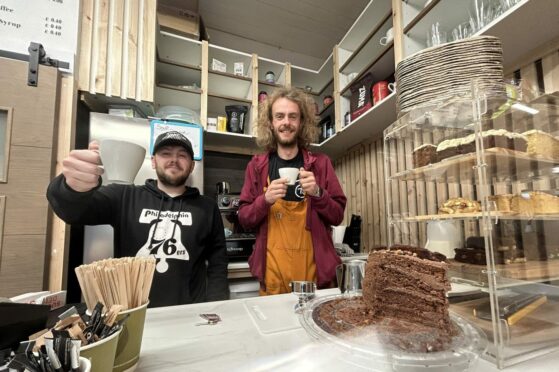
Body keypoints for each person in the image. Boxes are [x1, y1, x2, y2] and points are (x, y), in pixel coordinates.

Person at [47, 131, 229, 307]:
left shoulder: (207, 207)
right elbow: (72, 212)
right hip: (133, 313)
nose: (174, 160)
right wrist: (71, 187)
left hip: (189, 313)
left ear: (191, 166)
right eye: (166, 154)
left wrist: (215, 306)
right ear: (153, 161)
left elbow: (218, 263)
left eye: (182, 155)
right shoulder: (124, 196)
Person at [238, 87, 347, 295]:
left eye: (292, 116)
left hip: (315, 281)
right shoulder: (257, 166)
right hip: (272, 279)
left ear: (301, 122)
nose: (286, 122)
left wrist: (317, 193)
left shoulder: (321, 164)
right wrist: (265, 200)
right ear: (271, 122)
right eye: (279, 116)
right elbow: (244, 219)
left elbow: (337, 216)